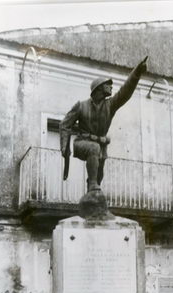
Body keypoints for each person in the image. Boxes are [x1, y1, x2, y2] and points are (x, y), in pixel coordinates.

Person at [60, 56, 148, 192]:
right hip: (81, 143)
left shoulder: (110, 105)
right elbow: (64, 125)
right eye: (108, 84)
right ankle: (93, 184)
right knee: (93, 149)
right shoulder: (81, 106)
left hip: (101, 146)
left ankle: (92, 187)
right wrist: (64, 148)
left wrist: (137, 72)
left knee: (98, 176)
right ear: (99, 88)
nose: (111, 87)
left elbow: (126, 92)